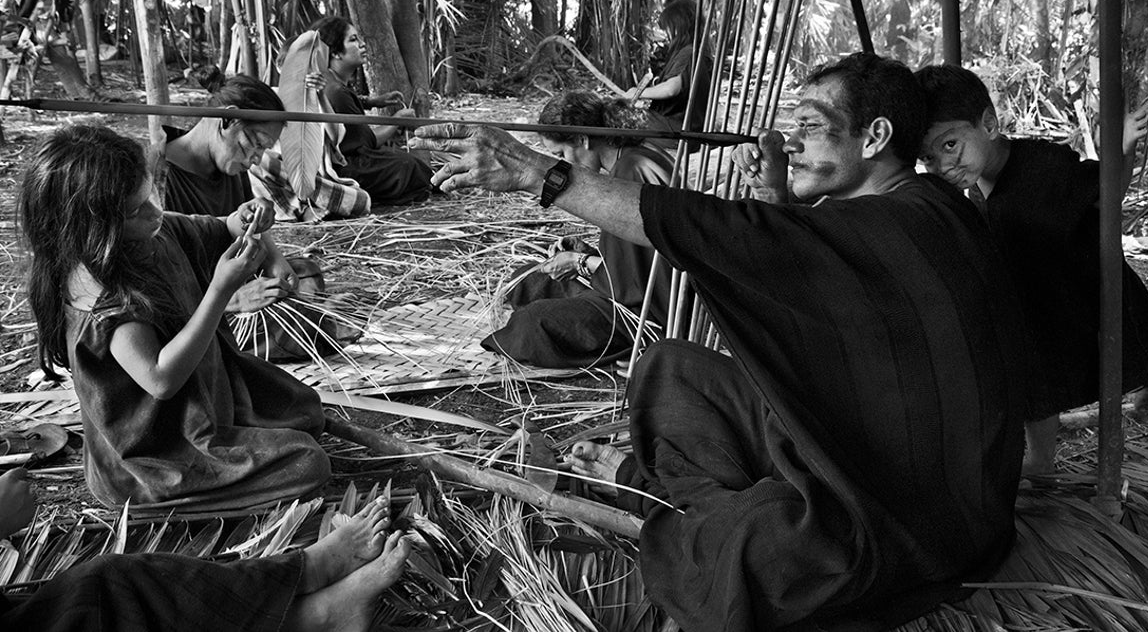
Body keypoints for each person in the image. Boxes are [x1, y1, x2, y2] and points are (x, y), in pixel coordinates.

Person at [412, 53, 1028, 632]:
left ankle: (660, 489)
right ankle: (699, 496)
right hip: (862, 436)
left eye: (811, 127)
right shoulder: (923, 205)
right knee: (672, 370)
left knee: (763, 551)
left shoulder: (897, 222)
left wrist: (535, 172)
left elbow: (710, 231)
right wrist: (777, 200)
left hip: (910, 521)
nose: (791, 141)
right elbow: (817, 264)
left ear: (874, 138)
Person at [19, 124, 331, 512]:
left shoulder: (152, 232)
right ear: (92, 227)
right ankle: (174, 501)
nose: (155, 213)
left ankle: (233, 435)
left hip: (208, 398)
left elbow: (221, 228)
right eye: (136, 210)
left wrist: (251, 224)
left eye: (150, 195)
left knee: (305, 409)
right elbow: (161, 380)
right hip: (157, 453)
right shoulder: (105, 300)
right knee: (307, 462)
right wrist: (219, 292)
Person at [914, 64, 1148, 474]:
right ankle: (1040, 461)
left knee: (1134, 347)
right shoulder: (961, 196)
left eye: (950, 145)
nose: (942, 165)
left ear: (989, 123)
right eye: (928, 157)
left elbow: (1106, 191)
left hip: (1084, 282)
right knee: (1035, 386)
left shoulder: (1044, 164)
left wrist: (1121, 147)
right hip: (1032, 307)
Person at [0, 467, 412, 632]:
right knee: (106, 589)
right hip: (149, 461)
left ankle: (312, 613)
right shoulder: (107, 304)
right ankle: (310, 580)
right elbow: (159, 380)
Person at [161, 73, 354, 361]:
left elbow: (247, 235)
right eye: (256, 143)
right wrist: (233, 300)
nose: (256, 158)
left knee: (306, 273)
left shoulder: (230, 168)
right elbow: (159, 289)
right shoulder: (159, 179)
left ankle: (313, 319)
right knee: (301, 327)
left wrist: (275, 261)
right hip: (194, 310)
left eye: (263, 149)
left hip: (232, 284)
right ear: (228, 120)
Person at [485, 91, 674, 367]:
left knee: (531, 323)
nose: (563, 164)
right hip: (621, 291)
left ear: (583, 139)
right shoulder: (630, 159)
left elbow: (647, 279)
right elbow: (633, 253)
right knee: (527, 279)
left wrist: (580, 262)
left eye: (561, 154)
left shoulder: (633, 170)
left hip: (645, 314)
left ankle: (634, 347)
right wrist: (588, 253)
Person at [311, 16, 433, 207]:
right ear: (335, 52)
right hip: (344, 169)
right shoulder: (336, 91)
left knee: (404, 162)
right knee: (407, 166)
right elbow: (367, 142)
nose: (362, 45)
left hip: (341, 160)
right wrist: (396, 120)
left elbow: (348, 107)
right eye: (353, 40)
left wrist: (372, 102)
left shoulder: (329, 81)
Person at [625, 0, 713, 147]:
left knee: (617, 116)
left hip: (679, 130)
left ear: (679, 25)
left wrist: (637, 91)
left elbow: (671, 89)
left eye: (668, 27)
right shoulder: (699, 50)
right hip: (690, 129)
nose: (665, 33)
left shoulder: (689, 52)